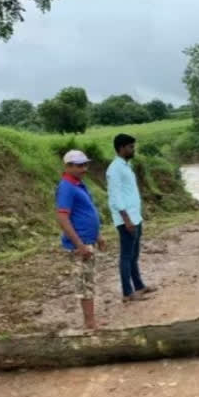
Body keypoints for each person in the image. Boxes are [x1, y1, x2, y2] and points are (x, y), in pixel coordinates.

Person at [55, 149, 106, 330]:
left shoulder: (78, 184)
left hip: (88, 240)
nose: (84, 169)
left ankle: (91, 320)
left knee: (88, 280)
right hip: (80, 244)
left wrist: (97, 235)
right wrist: (79, 244)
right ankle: (90, 323)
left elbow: (87, 211)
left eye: (85, 165)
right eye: (79, 165)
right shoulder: (66, 187)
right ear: (68, 166)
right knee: (84, 284)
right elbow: (62, 217)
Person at [107, 133, 157, 303]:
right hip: (126, 219)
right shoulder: (114, 169)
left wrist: (135, 217)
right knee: (126, 256)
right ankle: (128, 293)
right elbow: (115, 197)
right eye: (130, 147)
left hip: (135, 217)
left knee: (134, 255)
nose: (133, 149)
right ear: (121, 148)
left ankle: (139, 286)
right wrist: (126, 219)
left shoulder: (126, 166)